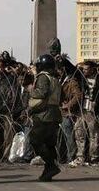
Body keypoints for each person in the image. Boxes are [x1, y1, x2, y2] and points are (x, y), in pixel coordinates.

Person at [28, 54, 62, 182]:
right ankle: (48, 170)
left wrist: (30, 90)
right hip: (54, 114)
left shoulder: (43, 77)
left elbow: (41, 93)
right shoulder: (55, 79)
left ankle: (51, 165)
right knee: (49, 144)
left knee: (35, 140)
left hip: (43, 114)